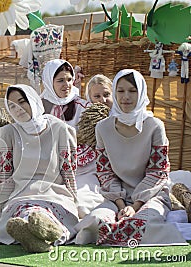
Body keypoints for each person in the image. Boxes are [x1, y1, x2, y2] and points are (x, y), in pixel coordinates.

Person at [75, 69, 187, 246]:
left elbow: (158, 172)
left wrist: (134, 207)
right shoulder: (103, 128)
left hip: (151, 195)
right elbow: (104, 172)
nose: (126, 96)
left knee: (143, 223)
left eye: (132, 91)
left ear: (141, 92)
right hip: (116, 197)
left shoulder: (154, 126)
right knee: (96, 220)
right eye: (120, 91)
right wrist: (121, 205)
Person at [0, 84, 79, 253]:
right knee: (26, 211)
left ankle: (38, 232)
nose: (18, 109)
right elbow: (5, 174)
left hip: (54, 192)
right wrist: (1, 207)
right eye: (12, 106)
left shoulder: (59, 129)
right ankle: (36, 233)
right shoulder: (8, 133)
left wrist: (74, 199)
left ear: (33, 100)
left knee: (48, 213)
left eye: (22, 102)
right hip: (22, 193)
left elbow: (68, 169)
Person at [75, 103, 110, 219]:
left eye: (106, 95)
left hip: (91, 182)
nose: (102, 100)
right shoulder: (73, 141)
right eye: (97, 96)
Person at [41, 59, 90, 130]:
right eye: (61, 80)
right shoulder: (39, 107)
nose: (67, 84)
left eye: (69, 80)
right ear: (49, 83)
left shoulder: (83, 108)